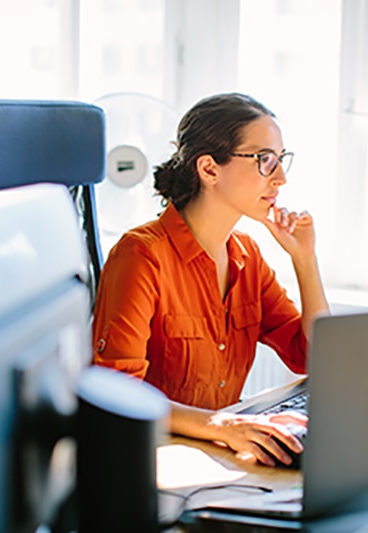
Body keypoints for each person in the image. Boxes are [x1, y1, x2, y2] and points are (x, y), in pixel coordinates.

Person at [92, 92, 330, 467]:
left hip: (215, 454)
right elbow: (117, 394)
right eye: (265, 160)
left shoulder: (247, 256)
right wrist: (221, 424)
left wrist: (305, 259)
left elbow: (313, 357)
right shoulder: (141, 255)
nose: (281, 178)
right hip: (148, 461)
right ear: (209, 169)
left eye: (281, 161)